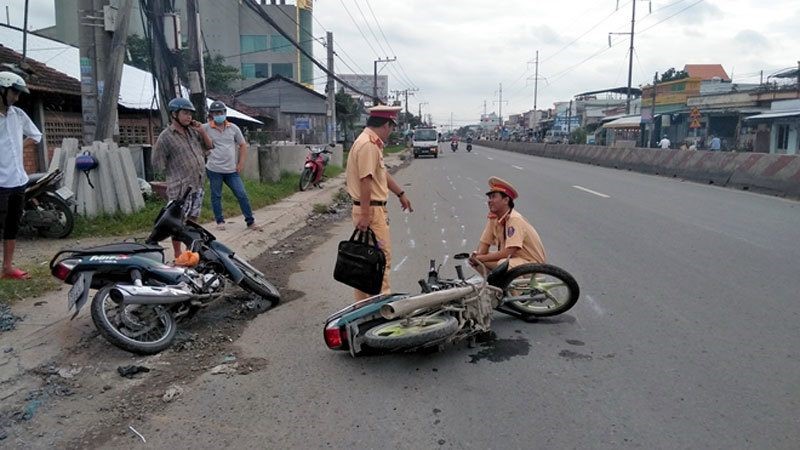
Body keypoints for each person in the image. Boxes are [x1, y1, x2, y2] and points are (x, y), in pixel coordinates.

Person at [345, 105, 413, 300]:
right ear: (385, 125)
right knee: (379, 262)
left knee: (364, 263)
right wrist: (366, 215)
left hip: (369, 210)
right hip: (371, 212)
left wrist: (400, 193)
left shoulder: (370, 143)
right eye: (391, 128)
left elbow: (380, 174)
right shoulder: (368, 145)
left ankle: (362, 308)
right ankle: (382, 312)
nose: (391, 133)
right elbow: (365, 180)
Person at [153, 97, 213, 259]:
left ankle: (190, 251)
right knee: (176, 222)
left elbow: (209, 146)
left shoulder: (193, 132)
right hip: (180, 187)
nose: (189, 117)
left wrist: (202, 131)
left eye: (190, 114)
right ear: (174, 114)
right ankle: (178, 253)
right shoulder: (166, 137)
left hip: (197, 183)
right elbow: (157, 162)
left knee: (193, 220)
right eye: (185, 113)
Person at [0, 71, 41, 280]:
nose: (16, 98)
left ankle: (7, 267)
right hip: (0, 181)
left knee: (12, 224)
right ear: (2, 90)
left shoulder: (18, 114)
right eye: (13, 93)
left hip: (18, 180)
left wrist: (17, 145)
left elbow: (36, 136)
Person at [469, 177, 546, 275]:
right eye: (489, 197)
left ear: (506, 200)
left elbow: (509, 252)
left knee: (502, 264)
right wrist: (477, 257)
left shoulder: (514, 219)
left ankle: (517, 290)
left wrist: (481, 258)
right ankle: (492, 286)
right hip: (515, 260)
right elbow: (484, 244)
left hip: (531, 264)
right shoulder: (494, 219)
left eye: (494, 197)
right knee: (475, 259)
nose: (489, 201)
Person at [202, 100, 257, 231]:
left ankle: (250, 221)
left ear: (225, 113)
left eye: (220, 112)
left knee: (242, 194)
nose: (218, 115)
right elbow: (196, 141)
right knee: (216, 195)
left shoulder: (233, 128)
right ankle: (219, 221)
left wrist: (241, 163)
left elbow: (243, 145)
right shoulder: (205, 128)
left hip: (231, 170)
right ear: (211, 114)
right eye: (215, 113)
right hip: (214, 169)